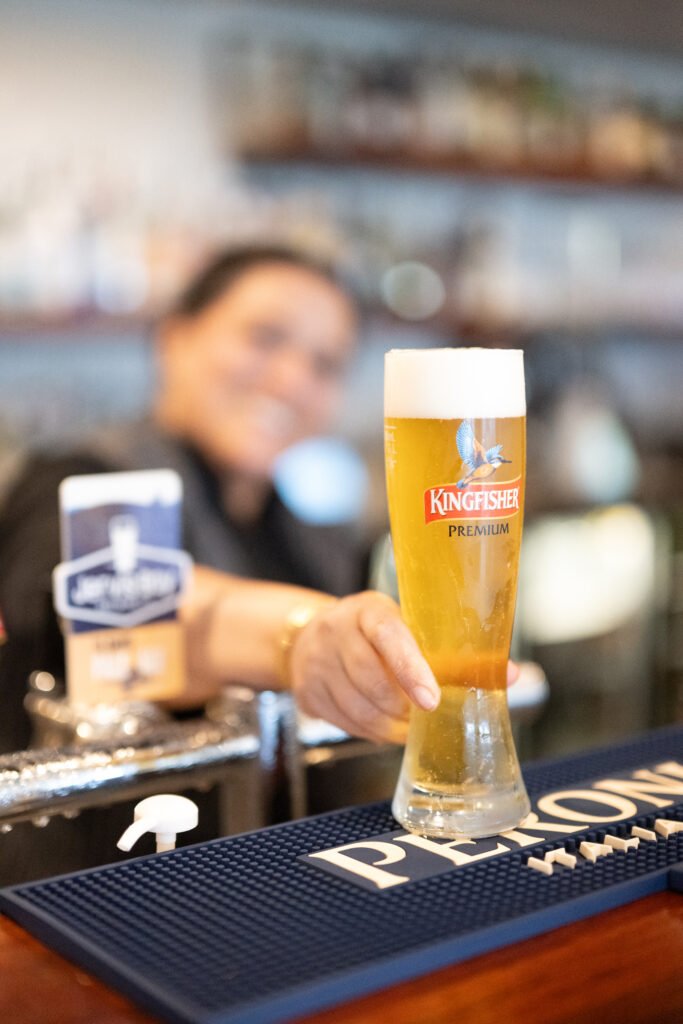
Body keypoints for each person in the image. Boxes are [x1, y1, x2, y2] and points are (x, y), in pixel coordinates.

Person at [0, 245, 443, 761]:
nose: (291, 380)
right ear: (174, 338)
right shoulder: (80, 480)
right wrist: (301, 639)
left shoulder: (315, 538)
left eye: (324, 365)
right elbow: (124, 609)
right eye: (265, 338)